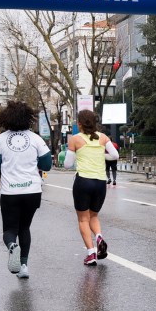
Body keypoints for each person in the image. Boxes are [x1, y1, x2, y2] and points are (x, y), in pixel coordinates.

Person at [0, 100, 52, 279]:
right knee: (25, 227)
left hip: (10, 192)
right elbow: (47, 164)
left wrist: (3, 168)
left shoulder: (0, 139)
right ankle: (23, 266)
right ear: (27, 118)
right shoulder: (35, 138)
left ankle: (11, 246)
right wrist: (33, 164)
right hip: (32, 191)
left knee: (10, 229)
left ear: (6, 119)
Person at [64, 109, 119, 266]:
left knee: (83, 219)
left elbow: (67, 164)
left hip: (83, 181)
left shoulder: (75, 139)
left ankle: (91, 253)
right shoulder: (103, 137)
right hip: (100, 182)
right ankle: (99, 237)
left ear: (79, 124)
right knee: (93, 216)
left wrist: (79, 157)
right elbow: (115, 155)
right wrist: (101, 156)